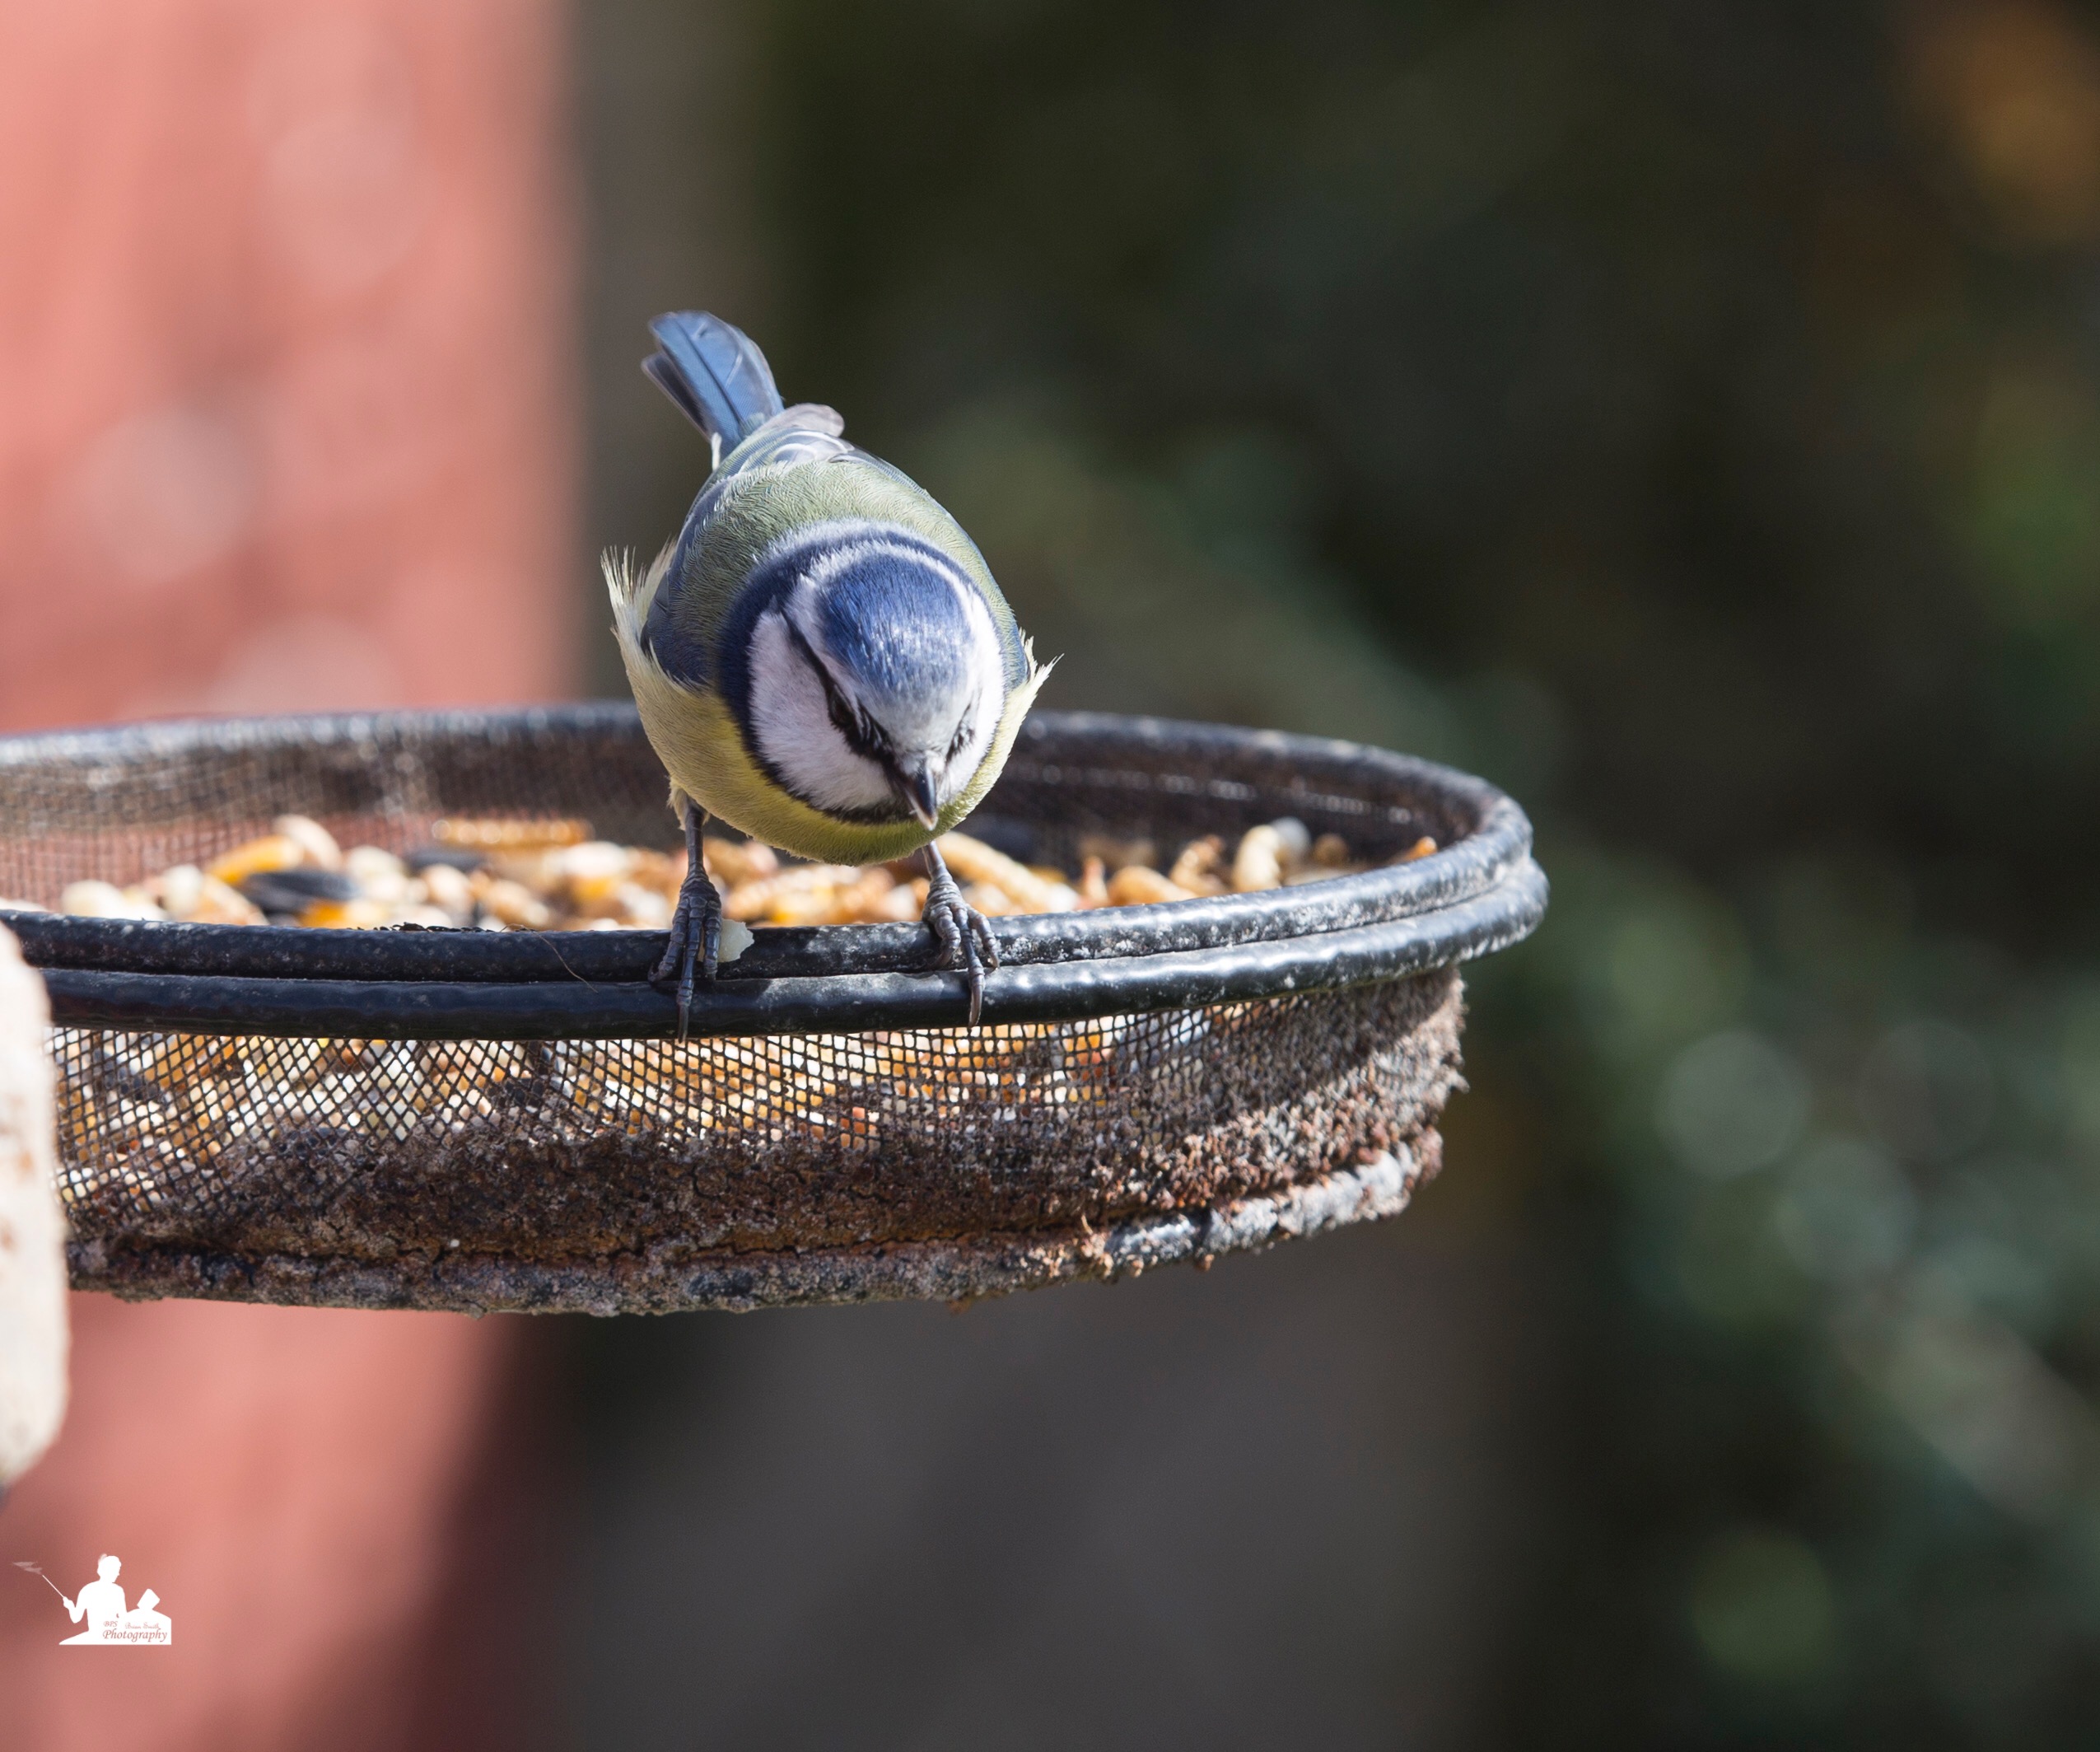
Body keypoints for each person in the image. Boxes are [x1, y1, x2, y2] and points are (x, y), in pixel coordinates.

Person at [60, 1556, 124, 1645]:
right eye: (116, 1570)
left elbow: (76, 1618)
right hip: (110, 1637)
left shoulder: (87, 1589)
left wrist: (70, 1607)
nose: (118, 1574)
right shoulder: (118, 1590)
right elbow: (123, 1618)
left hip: (98, 1637)